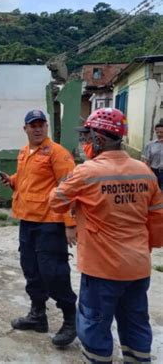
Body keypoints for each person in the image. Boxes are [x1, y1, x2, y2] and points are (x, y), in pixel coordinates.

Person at [49, 108, 163, 363]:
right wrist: (146, 247)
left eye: (87, 137)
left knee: (94, 325)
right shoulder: (145, 172)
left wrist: (76, 198)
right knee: (135, 323)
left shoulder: (87, 172)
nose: (86, 143)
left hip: (102, 269)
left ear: (99, 139)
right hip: (137, 267)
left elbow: (55, 203)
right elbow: (157, 219)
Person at [0, 109, 77, 347]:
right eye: (33, 125)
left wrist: (71, 225)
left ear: (46, 128)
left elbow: (70, 189)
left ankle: (70, 320)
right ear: (25, 129)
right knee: (31, 269)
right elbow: (27, 180)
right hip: (28, 221)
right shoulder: (25, 152)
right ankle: (38, 315)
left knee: (52, 272)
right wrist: (12, 181)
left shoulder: (58, 153)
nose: (37, 128)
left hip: (50, 223)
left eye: (41, 125)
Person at [142, 120, 163, 190]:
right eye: (157, 132)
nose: (159, 134)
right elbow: (147, 161)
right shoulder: (150, 145)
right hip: (155, 172)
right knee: (156, 191)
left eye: (161, 132)